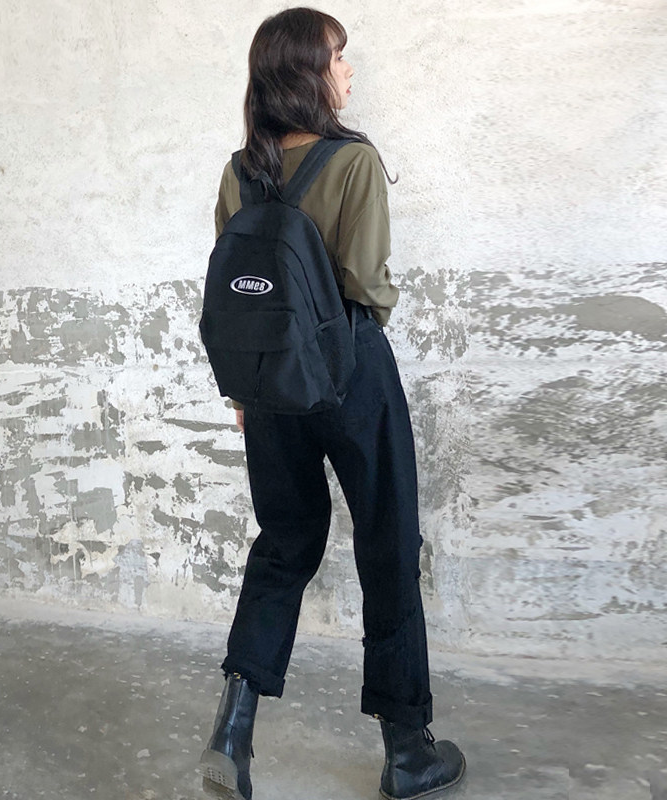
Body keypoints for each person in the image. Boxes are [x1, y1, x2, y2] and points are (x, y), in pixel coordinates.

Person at [199, 8, 466, 800]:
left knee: (285, 544)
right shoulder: (353, 161)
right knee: (389, 542)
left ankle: (233, 729)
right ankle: (407, 750)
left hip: (268, 387)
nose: (349, 73)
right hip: (351, 370)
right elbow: (366, 284)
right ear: (308, 74)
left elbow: (233, 288)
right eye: (339, 59)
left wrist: (244, 389)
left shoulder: (239, 170)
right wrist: (352, 339)